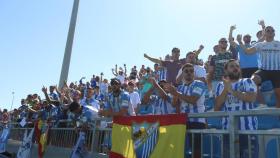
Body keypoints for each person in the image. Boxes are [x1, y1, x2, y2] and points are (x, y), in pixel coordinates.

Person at [214, 59, 258, 158]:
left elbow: (251, 98)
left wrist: (232, 90)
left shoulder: (247, 81)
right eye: (232, 66)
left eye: (237, 66)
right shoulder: (220, 85)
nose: (235, 68)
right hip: (228, 132)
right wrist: (226, 89)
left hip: (247, 131)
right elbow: (217, 107)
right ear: (226, 71)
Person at [168, 63, 207, 158]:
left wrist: (176, 93)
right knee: (180, 148)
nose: (189, 73)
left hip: (197, 121)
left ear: (194, 73)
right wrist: (173, 95)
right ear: (182, 73)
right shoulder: (180, 87)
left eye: (191, 71)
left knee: (196, 149)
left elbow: (193, 100)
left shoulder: (199, 84)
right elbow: (174, 104)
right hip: (183, 121)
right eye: (186, 71)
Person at [239, 26, 280, 108]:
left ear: (274, 33)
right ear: (264, 33)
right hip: (264, 70)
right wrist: (240, 41)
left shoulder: (278, 44)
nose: (270, 32)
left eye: (272, 31)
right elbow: (247, 52)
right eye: (268, 30)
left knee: (278, 94)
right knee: (252, 81)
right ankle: (262, 104)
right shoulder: (260, 45)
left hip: (277, 71)